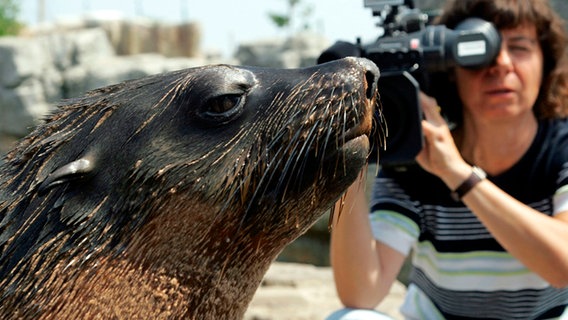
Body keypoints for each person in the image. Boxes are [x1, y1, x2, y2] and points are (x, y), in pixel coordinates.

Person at [327, 0, 568, 319]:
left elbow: (563, 265)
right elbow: (361, 292)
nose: (500, 64)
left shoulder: (560, 147)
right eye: (476, 50)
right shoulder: (419, 153)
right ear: (450, 71)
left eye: (519, 48)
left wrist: (457, 174)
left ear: (546, 63)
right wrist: (350, 156)